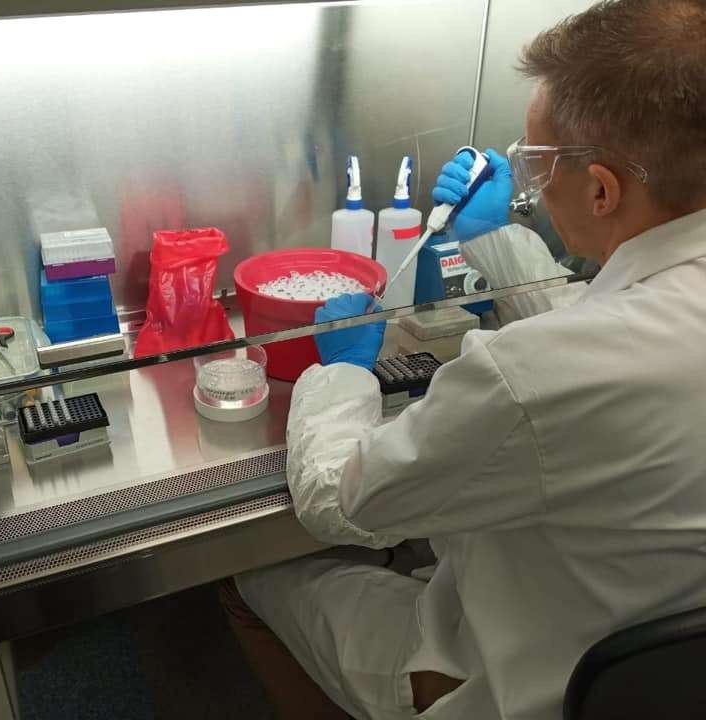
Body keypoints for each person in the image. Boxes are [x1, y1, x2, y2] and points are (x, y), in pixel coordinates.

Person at [221, 1, 706, 718]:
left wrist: (343, 371)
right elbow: (614, 327)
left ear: (602, 190)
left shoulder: (525, 376)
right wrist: (493, 236)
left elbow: (341, 502)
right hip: (662, 674)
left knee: (253, 576)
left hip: (511, 689)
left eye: (537, 163)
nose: (530, 184)